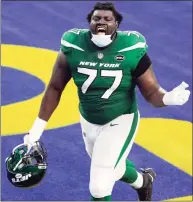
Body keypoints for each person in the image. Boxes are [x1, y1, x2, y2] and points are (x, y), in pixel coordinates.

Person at [23, 2, 190, 201]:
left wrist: (167, 98)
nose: (101, 22)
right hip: (88, 119)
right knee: (113, 166)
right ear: (89, 23)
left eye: (107, 19)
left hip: (121, 118)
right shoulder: (73, 45)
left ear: (117, 24)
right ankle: (143, 181)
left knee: (99, 185)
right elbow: (55, 87)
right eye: (97, 18)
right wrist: (36, 129)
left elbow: (151, 91)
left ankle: (138, 182)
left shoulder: (131, 47)